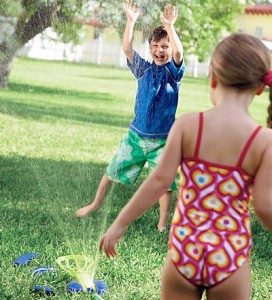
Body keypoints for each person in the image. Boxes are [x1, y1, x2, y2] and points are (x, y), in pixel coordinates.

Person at [99, 32, 272, 300]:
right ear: (260, 88)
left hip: (184, 253)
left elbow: (157, 182)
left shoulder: (189, 126)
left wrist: (119, 224)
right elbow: (264, 206)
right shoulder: (263, 141)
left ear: (212, 78)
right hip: (229, 257)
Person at [75, 1, 185, 231]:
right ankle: (95, 204)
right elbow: (127, 49)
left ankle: (163, 223)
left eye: (164, 46)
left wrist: (170, 26)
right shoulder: (143, 69)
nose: (160, 50)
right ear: (150, 47)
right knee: (111, 171)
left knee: (165, 184)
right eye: (156, 45)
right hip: (136, 137)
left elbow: (178, 52)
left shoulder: (174, 73)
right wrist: (131, 21)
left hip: (163, 141)